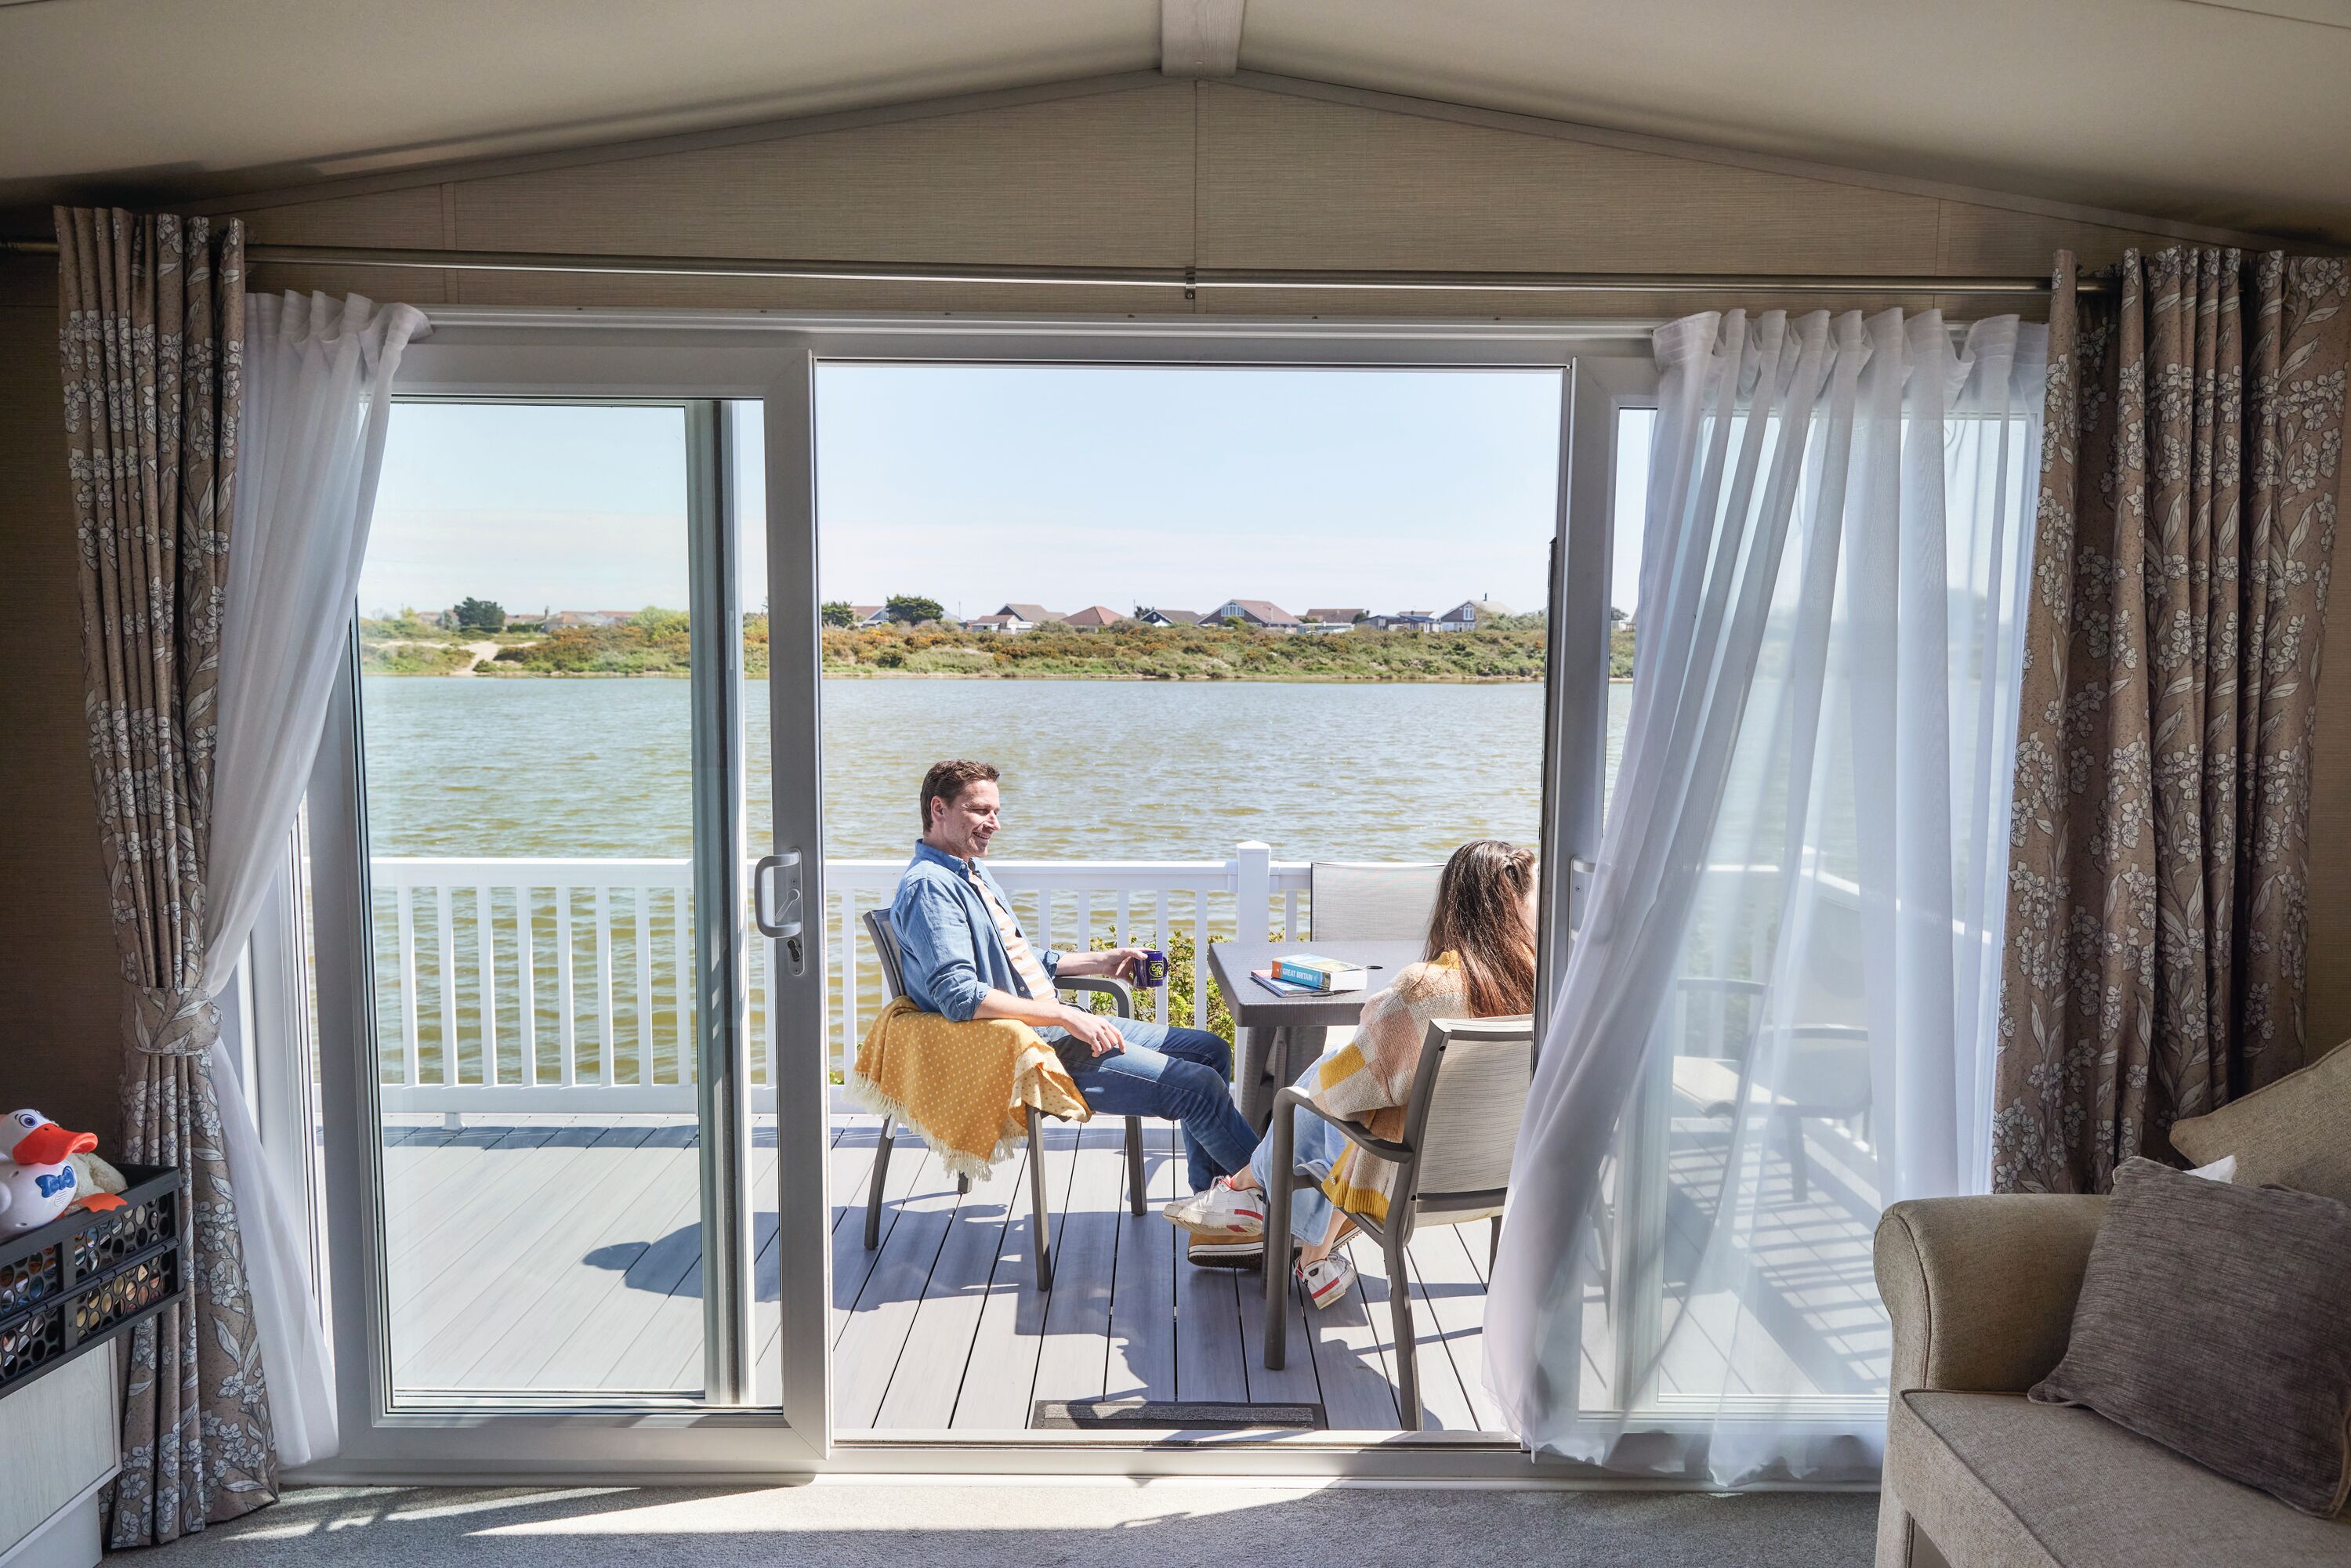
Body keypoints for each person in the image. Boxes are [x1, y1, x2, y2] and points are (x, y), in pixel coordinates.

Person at [1161, 838, 1538, 1310]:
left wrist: (1379, 1014)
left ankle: (1246, 1190)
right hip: (1507, 1169)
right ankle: (1311, 1253)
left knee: (1313, 1090)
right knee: (1380, 1098)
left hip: (1401, 1182)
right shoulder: (1548, 985)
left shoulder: (1430, 988)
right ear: (1513, 906)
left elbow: (1342, 1090)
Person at [889, 759, 1262, 1208]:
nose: (995, 824)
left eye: (996, 811)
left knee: (1211, 1051)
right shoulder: (930, 887)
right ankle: (1286, 1211)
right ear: (938, 809)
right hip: (1031, 1048)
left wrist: (1103, 962)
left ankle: (1219, 1205)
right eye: (981, 811)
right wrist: (1066, 1016)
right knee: (1199, 1088)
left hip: (1056, 1028)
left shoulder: (969, 870)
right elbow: (958, 995)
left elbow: (1020, 961)